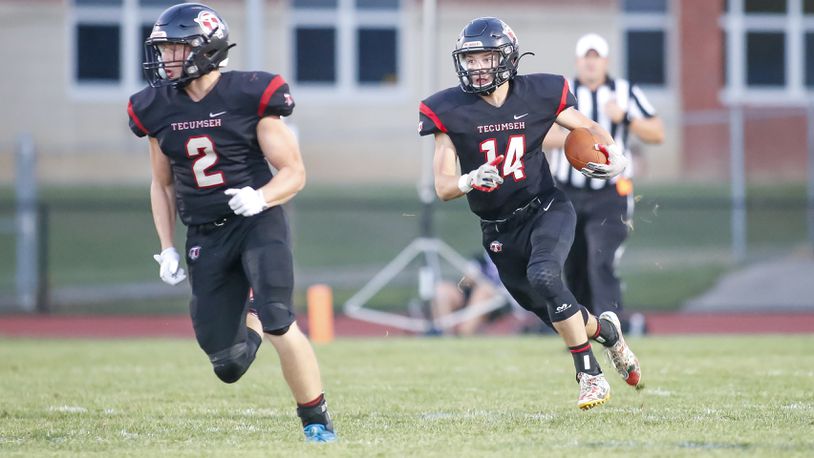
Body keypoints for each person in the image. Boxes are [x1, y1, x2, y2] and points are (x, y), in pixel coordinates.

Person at [126, 3, 336, 442]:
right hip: (204, 232)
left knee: (280, 317)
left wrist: (259, 196)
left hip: (257, 221)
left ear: (206, 48)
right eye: (163, 50)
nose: (166, 59)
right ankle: (252, 316)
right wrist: (166, 246)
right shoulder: (155, 107)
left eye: (176, 49)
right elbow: (162, 185)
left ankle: (316, 422)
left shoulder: (249, 94)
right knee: (229, 364)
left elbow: (295, 172)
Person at [419, 17, 642, 410]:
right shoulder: (449, 109)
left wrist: (615, 155)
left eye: (485, 57)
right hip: (499, 231)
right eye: (470, 59)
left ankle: (589, 375)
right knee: (557, 310)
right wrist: (469, 180)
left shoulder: (539, 92)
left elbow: (587, 127)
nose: (476, 67)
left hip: (546, 208)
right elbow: (442, 185)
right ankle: (607, 331)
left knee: (544, 275)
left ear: (506, 57)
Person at [545, 34, 664, 325]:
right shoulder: (563, 93)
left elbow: (657, 133)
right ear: (578, 61)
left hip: (610, 191)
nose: (590, 62)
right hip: (568, 190)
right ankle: (582, 326)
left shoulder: (624, 92)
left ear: (605, 62)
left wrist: (624, 118)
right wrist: (576, 143)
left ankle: (612, 324)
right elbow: (540, 136)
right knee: (572, 263)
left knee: (601, 258)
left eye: (596, 57)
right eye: (586, 56)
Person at [432, 251, 512, 336]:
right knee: (442, 288)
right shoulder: (479, 260)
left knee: (484, 290)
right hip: (470, 295)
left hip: (499, 302)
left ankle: (464, 334)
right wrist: (468, 280)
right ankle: (445, 334)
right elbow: (463, 283)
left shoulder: (511, 260)